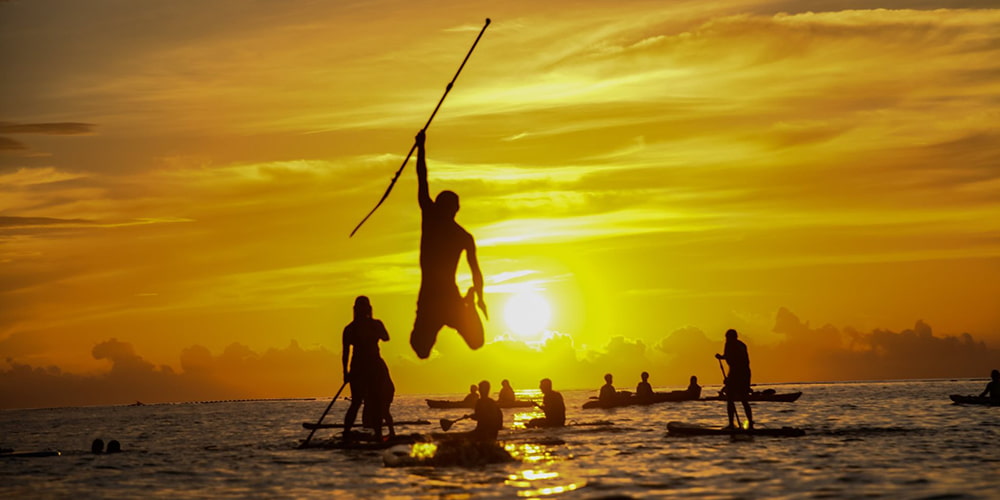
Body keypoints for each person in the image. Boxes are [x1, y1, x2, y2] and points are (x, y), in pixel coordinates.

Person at [410, 130, 488, 359]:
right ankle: (468, 307)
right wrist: (421, 148)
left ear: (453, 210)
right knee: (421, 350)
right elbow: (421, 179)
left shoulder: (460, 235)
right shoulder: (432, 218)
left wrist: (480, 298)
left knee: (476, 343)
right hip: (431, 297)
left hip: (448, 297)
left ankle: (468, 307)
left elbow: (476, 271)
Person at [342, 296, 396, 441]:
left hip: (374, 367)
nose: (362, 311)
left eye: (364, 308)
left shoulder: (375, 324)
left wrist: (375, 331)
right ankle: (346, 433)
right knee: (357, 402)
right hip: (359, 368)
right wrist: (345, 373)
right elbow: (345, 352)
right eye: (359, 308)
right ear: (355, 310)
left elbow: (386, 337)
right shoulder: (350, 329)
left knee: (375, 401)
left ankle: (378, 435)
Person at [716, 329, 753, 429]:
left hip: (739, 374)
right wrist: (722, 357)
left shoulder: (732, 345)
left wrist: (729, 378)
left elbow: (735, 361)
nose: (726, 340)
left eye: (728, 338)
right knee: (743, 400)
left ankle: (732, 424)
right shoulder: (741, 345)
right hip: (744, 373)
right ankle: (750, 423)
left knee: (731, 399)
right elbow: (731, 358)